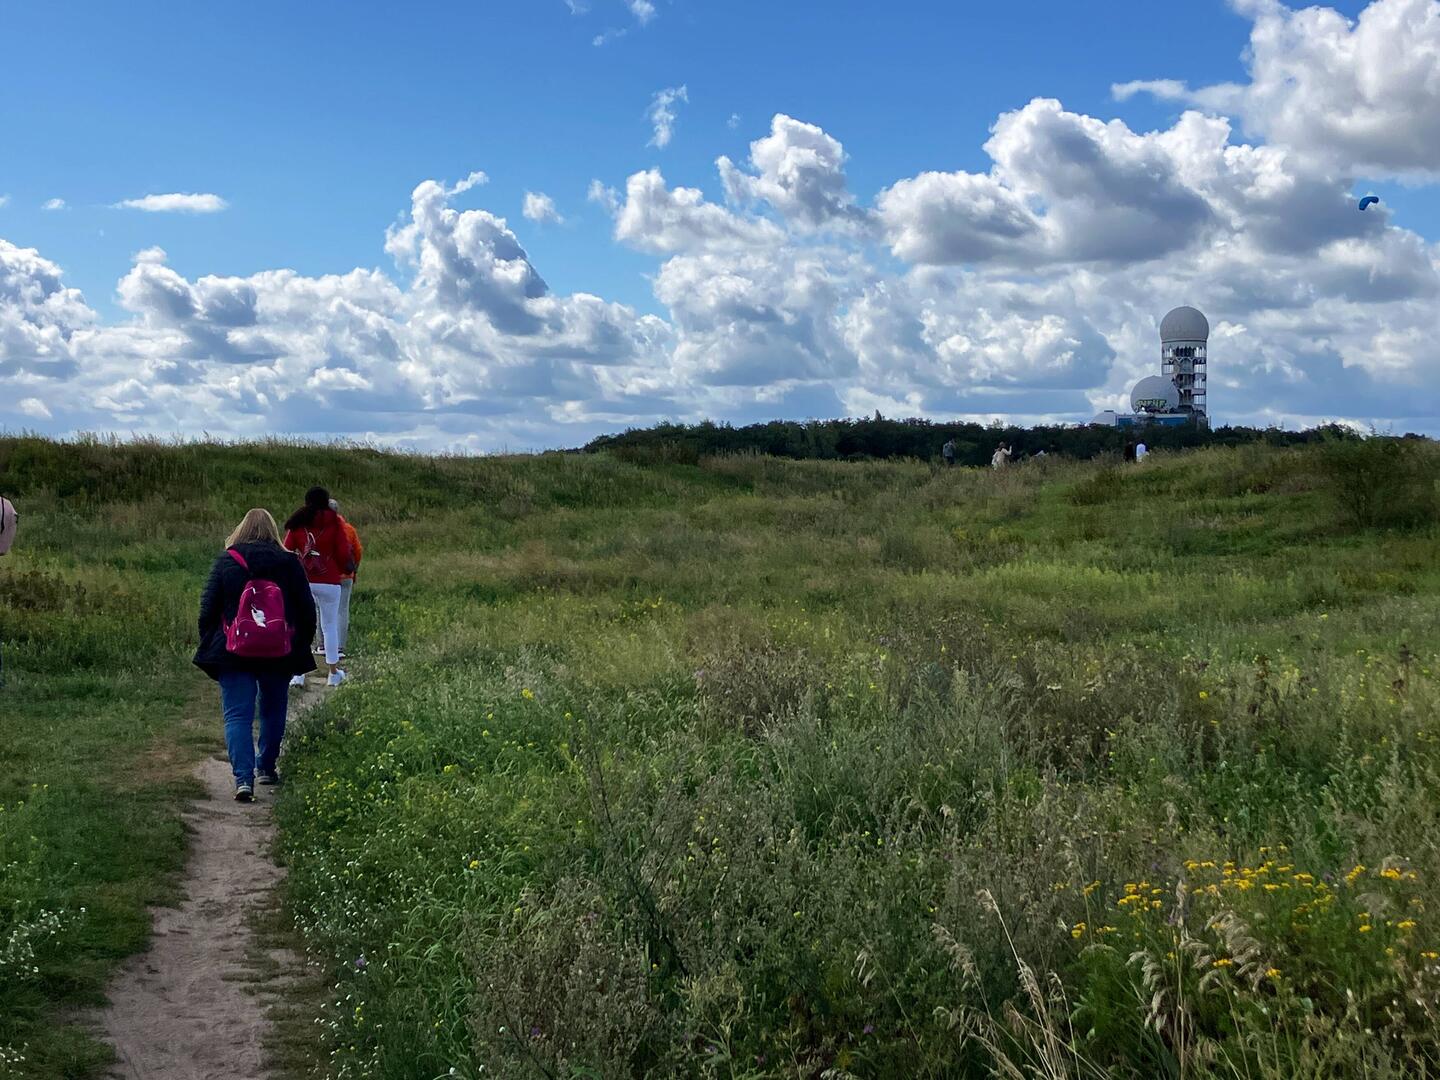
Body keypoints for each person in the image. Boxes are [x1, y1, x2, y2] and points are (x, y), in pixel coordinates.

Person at [194, 509, 317, 801]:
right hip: (279, 650)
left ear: (241, 529)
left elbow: (207, 610)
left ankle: (243, 779)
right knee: (273, 710)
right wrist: (300, 644)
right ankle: (266, 767)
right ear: (273, 531)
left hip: (233, 649)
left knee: (237, 715)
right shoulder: (290, 562)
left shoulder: (228, 561)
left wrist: (212, 641)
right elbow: (307, 610)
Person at [282, 487, 355, 688]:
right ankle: (333, 674)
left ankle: (298, 674)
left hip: (303, 580)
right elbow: (343, 552)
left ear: (307, 502)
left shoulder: (298, 523)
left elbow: (287, 550)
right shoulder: (334, 523)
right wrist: (344, 568)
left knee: (300, 626)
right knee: (329, 626)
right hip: (330, 581)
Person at [327, 498, 363, 660]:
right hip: (346, 575)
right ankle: (340, 647)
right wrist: (354, 570)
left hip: (325, 576)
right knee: (342, 610)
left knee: (322, 609)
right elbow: (358, 551)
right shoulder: (349, 529)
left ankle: (322, 644)